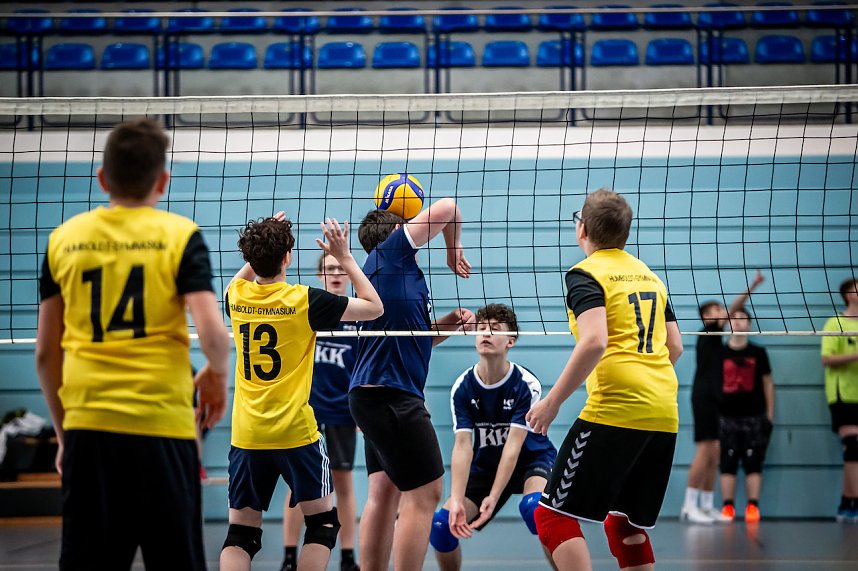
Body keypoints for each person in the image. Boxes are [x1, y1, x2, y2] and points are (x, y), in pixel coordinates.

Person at [35, 118, 230, 570]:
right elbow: (215, 335)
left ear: (102, 178)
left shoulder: (62, 241)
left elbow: (47, 354)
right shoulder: (180, 236)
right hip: (162, 428)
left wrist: (66, 436)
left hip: (90, 429)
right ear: (163, 181)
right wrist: (216, 376)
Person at [526, 189, 684, 571]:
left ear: (581, 229)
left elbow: (595, 340)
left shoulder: (586, 273)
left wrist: (552, 402)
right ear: (625, 232)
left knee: (551, 517)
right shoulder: (650, 277)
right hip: (664, 411)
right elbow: (675, 346)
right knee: (622, 520)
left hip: (616, 410)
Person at [220, 214, 383, 571]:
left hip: (247, 434)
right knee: (323, 525)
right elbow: (374, 307)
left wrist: (264, 242)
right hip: (295, 433)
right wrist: (347, 257)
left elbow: (240, 278)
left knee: (240, 535)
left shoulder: (236, 296)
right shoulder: (304, 300)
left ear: (250, 256)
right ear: (287, 257)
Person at [349, 199, 475, 571]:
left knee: (384, 491)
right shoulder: (392, 254)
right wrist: (455, 252)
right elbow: (450, 207)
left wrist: (449, 322)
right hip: (392, 396)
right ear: (393, 234)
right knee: (425, 493)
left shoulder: (385, 275)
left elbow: (411, 337)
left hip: (372, 396)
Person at [430, 303, 557, 571]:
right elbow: (463, 447)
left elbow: (513, 446)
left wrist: (494, 497)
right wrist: (455, 499)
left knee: (537, 511)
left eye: (494, 329)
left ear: (510, 341)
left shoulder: (525, 383)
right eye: (481, 328)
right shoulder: (462, 387)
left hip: (531, 458)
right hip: (487, 464)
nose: (485, 333)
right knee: (442, 524)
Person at [281, 253, 361, 571]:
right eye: (329, 269)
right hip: (307, 410)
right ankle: (289, 556)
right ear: (319, 275)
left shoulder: (360, 315)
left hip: (343, 410)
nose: (337, 274)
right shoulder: (307, 309)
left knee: (342, 483)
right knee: (298, 485)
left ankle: (348, 557)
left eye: (342, 269)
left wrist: (361, 409)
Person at [681, 271, 765, 524]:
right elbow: (735, 309)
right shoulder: (709, 331)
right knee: (704, 451)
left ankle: (706, 506)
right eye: (717, 309)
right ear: (708, 317)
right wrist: (753, 286)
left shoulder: (718, 337)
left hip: (716, 399)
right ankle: (689, 505)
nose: (722, 311)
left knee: (715, 453)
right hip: (704, 398)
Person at [717, 307, 775, 523]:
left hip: (755, 416)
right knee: (728, 462)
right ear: (728, 324)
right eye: (735, 318)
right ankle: (728, 507)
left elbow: (768, 384)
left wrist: (769, 415)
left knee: (754, 462)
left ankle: (753, 506)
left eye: (743, 318)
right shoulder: (720, 353)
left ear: (749, 325)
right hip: (726, 417)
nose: (739, 322)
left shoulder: (758, 353)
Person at [821, 277, 858, 522]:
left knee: (853, 450)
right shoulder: (835, 322)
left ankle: (846, 503)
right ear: (848, 295)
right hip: (842, 394)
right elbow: (827, 359)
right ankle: (850, 504)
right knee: (854, 446)